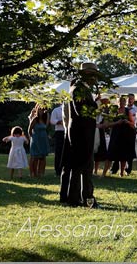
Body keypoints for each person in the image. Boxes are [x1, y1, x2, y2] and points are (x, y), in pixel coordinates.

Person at [60, 62, 102, 208]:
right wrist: (97, 105)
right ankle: (84, 199)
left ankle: (78, 199)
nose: (95, 79)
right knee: (82, 167)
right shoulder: (78, 89)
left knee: (81, 167)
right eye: (94, 76)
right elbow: (81, 111)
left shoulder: (81, 88)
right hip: (81, 133)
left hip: (83, 132)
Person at [107, 96, 136, 177]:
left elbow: (133, 124)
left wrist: (127, 121)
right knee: (111, 153)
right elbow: (109, 123)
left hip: (125, 134)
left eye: (123, 101)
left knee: (123, 154)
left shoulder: (128, 111)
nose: (122, 103)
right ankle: (106, 172)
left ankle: (122, 172)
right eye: (120, 101)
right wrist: (117, 122)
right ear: (118, 102)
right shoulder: (114, 111)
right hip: (115, 134)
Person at [28, 104, 50, 178]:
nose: (41, 111)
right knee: (35, 157)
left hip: (43, 140)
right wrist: (33, 138)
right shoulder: (35, 119)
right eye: (40, 109)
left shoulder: (44, 119)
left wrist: (47, 115)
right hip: (36, 140)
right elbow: (29, 130)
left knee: (43, 157)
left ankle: (40, 173)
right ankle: (34, 174)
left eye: (43, 110)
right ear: (37, 110)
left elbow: (46, 127)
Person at [93, 96, 112, 177]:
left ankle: (96, 170)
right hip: (93, 131)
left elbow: (105, 123)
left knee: (99, 151)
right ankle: (93, 170)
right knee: (94, 150)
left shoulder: (105, 111)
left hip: (100, 132)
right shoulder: (94, 108)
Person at [49, 104, 65, 177]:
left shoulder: (72, 109)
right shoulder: (56, 110)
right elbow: (52, 120)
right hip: (60, 132)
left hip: (69, 132)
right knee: (59, 151)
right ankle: (58, 171)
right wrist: (60, 122)